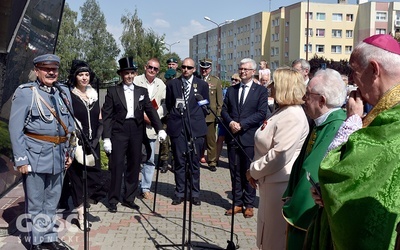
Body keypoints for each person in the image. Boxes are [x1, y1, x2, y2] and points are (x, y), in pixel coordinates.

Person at [307, 34, 400, 249]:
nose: (351, 81)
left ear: (374, 69)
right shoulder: (384, 112)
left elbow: (339, 172)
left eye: (354, 71)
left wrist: (351, 121)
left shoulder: (393, 120)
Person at [9, 54, 74, 250]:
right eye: (46, 69)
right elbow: (15, 128)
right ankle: (36, 241)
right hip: (35, 155)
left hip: (58, 155)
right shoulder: (26, 92)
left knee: (52, 200)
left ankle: (49, 238)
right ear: (37, 70)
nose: (51, 72)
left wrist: (69, 151)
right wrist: (21, 159)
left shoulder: (63, 92)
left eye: (54, 68)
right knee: (36, 201)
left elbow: (69, 125)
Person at [281, 68, 347, 249]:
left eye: (307, 94)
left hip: (313, 216)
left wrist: (296, 205)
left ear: (322, 100)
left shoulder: (335, 126)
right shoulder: (321, 123)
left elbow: (313, 170)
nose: (303, 98)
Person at [246, 67, 309, 250]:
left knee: (274, 238)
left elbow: (279, 155)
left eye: (275, 83)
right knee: (267, 234)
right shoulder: (282, 111)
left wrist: (253, 171)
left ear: (284, 87)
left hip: (279, 184)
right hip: (271, 182)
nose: (270, 86)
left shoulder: (293, 115)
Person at [102, 57, 166, 213]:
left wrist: (160, 129)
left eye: (132, 73)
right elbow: (107, 116)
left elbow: (150, 111)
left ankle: (129, 198)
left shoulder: (141, 91)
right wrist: (106, 137)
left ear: (135, 74)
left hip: (136, 130)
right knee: (117, 165)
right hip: (119, 130)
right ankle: (113, 199)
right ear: (121, 74)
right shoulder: (113, 91)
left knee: (134, 165)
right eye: (126, 73)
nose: (129, 76)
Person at [221, 58, 270, 218]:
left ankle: (249, 204)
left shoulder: (261, 91)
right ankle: (237, 202)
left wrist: (242, 124)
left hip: (249, 137)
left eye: (245, 70)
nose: (242, 72)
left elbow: (261, 113)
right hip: (233, 136)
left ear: (253, 72)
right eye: (240, 69)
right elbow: (224, 110)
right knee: (234, 171)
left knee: (249, 171)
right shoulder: (231, 90)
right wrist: (231, 123)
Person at [66, 60, 105, 230]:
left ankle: (85, 202)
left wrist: (97, 139)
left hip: (93, 144)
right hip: (77, 145)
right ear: (75, 76)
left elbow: (100, 119)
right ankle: (81, 218)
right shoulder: (70, 95)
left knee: (94, 177)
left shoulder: (94, 95)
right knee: (77, 180)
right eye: (80, 74)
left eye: (87, 74)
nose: (84, 78)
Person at [165, 57, 209, 206]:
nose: (186, 70)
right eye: (183, 67)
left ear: (194, 69)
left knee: (194, 163)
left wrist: (196, 119)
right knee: (179, 162)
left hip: (195, 128)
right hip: (178, 128)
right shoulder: (173, 84)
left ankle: (195, 193)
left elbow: (205, 105)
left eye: (189, 68)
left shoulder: (202, 85)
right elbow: (170, 104)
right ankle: (179, 192)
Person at [133, 58, 167, 199]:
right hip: (135, 126)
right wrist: (143, 116)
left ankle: (145, 187)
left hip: (152, 128)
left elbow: (165, 105)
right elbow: (129, 102)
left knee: (150, 159)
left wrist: (154, 117)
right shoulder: (136, 81)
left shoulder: (161, 84)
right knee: (133, 158)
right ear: (145, 67)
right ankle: (131, 186)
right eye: (150, 67)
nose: (152, 70)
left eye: (155, 69)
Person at [199, 58, 223, 172]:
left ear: (210, 69)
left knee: (211, 140)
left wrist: (218, 115)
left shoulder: (216, 81)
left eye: (206, 68)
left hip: (210, 115)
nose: (204, 70)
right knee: (197, 140)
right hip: (197, 115)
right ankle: (197, 158)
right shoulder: (195, 79)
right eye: (202, 68)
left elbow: (219, 100)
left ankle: (212, 161)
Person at [159, 57, 180, 173]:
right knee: (164, 139)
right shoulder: (162, 76)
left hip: (176, 113)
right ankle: (164, 161)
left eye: (173, 64)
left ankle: (176, 161)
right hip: (164, 113)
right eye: (169, 64)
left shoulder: (181, 76)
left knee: (176, 139)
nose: (171, 66)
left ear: (177, 65)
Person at [216, 73, 241, 163]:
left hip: (235, 121)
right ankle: (215, 159)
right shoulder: (227, 90)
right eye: (232, 79)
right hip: (225, 119)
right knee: (220, 138)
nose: (233, 81)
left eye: (236, 80)